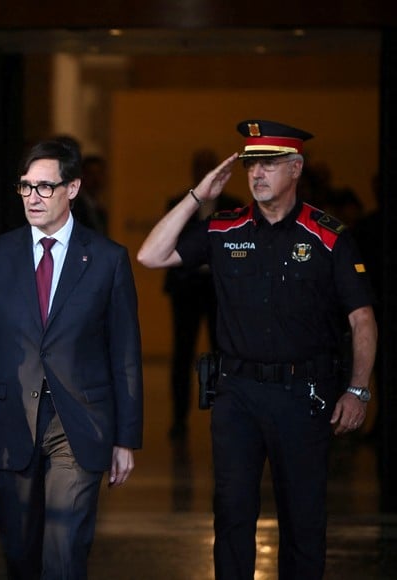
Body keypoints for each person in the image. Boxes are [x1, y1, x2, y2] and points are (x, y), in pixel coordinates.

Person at [137, 120, 377, 579]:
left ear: (295, 168)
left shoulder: (328, 237)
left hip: (304, 394)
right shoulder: (224, 229)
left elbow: (361, 319)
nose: (257, 174)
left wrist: (358, 390)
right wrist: (197, 195)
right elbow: (150, 255)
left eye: (268, 164)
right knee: (231, 514)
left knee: (303, 519)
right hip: (237, 396)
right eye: (251, 165)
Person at [0, 138, 144, 579]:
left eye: (44, 187)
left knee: (63, 552)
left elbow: (126, 355)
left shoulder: (107, 260)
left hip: (79, 424)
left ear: (72, 188)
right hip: (10, 421)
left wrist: (126, 438)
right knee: (20, 550)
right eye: (25, 187)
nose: (32, 198)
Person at [163, 149, 243, 440]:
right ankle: (179, 419)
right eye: (199, 166)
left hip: (219, 291)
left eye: (209, 166)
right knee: (182, 355)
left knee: (224, 353)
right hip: (186, 289)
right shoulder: (178, 203)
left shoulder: (235, 207)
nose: (204, 171)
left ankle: (226, 416)